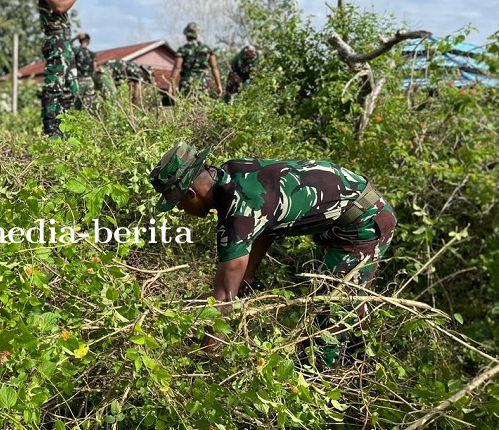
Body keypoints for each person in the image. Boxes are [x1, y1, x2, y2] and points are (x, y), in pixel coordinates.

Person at [150, 141, 397, 365]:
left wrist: (206, 357)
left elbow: (224, 299)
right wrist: (248, 275)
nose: (182, 210)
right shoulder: (235, 171)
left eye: (179, 203)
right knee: (346, 306)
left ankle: (331, 387)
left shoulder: (237, 215)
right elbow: (265, 226)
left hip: (362, 222)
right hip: (354, 212)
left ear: (191, 194)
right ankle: (360, 364)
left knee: (330, 319)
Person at [36, 0, 93, 137]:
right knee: (55, 84)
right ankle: (51, 129)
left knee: (71, 86)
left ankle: (63, 128)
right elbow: (59, 7)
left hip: (64, 40)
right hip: (56, 39)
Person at [170, 23, 223, 99]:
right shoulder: (206, 49)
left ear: (187, 35)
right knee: (201, 110)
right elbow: (214, 67)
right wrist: (219, 86)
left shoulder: (183, 50)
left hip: (186, 85)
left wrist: (171, 86)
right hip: (201, 85)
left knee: (185, 108)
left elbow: (177, 68)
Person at [72, 32, 97, 112]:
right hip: (89, 82)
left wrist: (75, 38)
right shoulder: (92, 54)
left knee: (76, 107)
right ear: (88, 42)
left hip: (79, 81)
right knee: (89, 107)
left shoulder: (76, 51)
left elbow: (66, 46)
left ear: (79, 41)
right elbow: (94, 68)